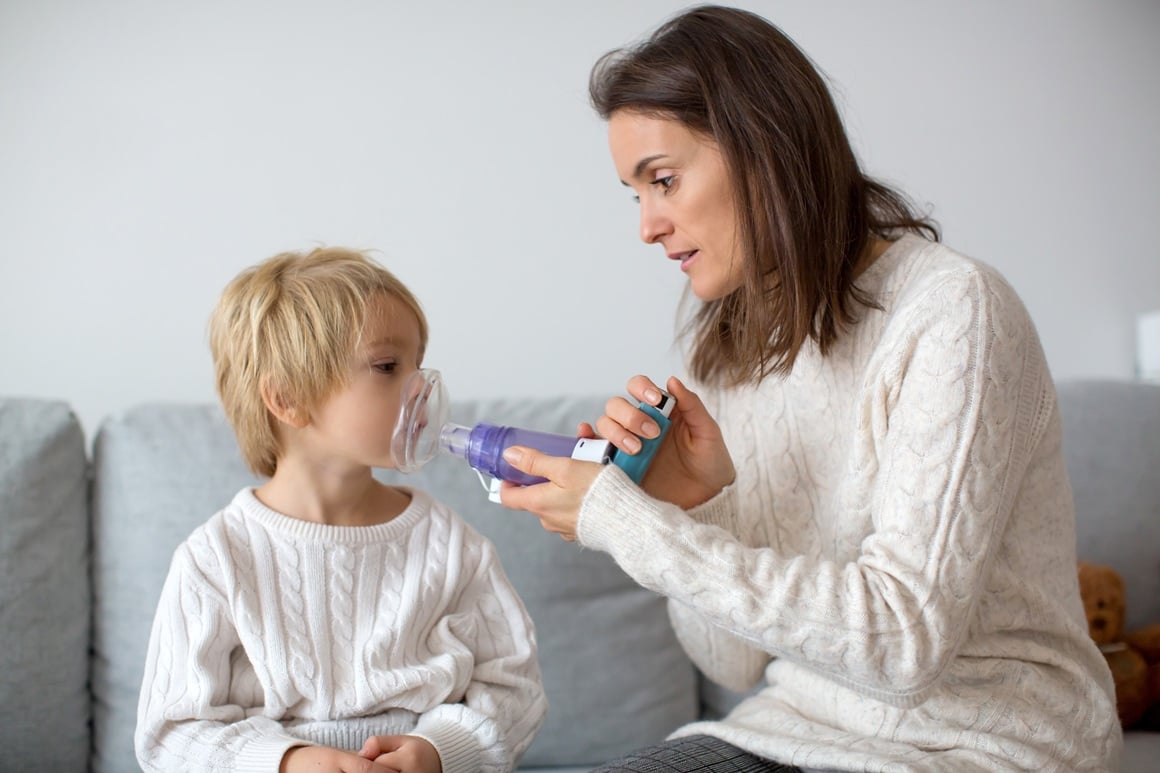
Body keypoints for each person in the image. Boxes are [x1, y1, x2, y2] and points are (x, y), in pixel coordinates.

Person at [499, 5, 1120, 772]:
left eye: (662, 180)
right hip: (789, 729)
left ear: (764, 147)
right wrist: (685, 504)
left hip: (986, 744)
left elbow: (902, 644)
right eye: (636, 194)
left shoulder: (955, 311)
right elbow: (730, 662)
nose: (647, 226)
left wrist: (626, 523)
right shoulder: (719, 351)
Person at [135, 247, 547, 773]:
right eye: (387, 366)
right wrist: (287, 762)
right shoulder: (216, 560)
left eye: (418, 364)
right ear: (287, 398)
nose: (419, 388)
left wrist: (440, 750)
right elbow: (171, 732)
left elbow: (512, 686)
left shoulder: (450, 546)